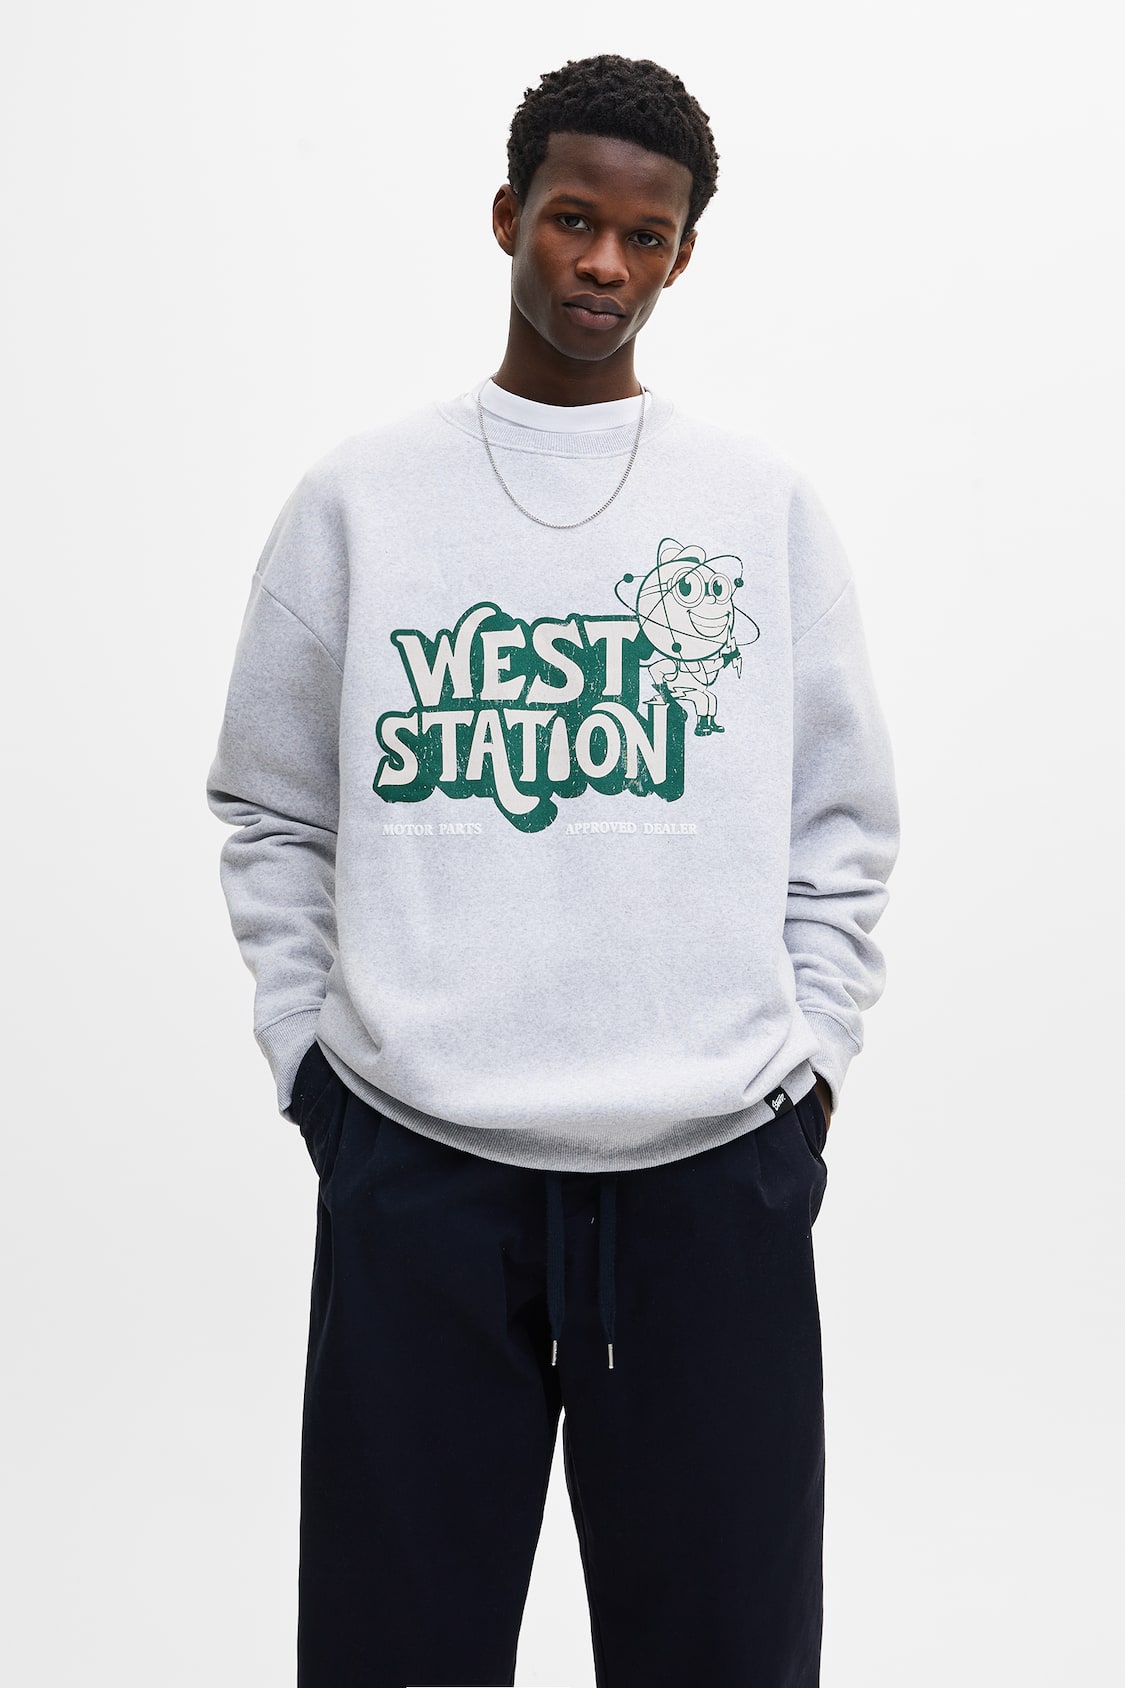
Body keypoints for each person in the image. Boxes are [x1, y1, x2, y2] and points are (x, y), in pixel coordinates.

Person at [206, 51, 899, 1688]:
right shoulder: (361, 501)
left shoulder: (757, 508)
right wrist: (314, 1065)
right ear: (508, 215)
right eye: (573, 220)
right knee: (397, 1651)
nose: (602, 264)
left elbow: (842, 823)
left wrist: (807, 1070)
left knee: (723, 1652)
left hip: (710, 1173)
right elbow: (271, 806)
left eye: (643, 237)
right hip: (420, 1168)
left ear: (681, 255)